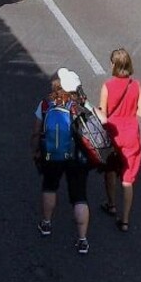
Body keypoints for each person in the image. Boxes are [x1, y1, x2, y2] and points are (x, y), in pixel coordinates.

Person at [35, 68, 92, 254]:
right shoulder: (81, 105)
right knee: (79, 196)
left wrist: (35, 150)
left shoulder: (45, 104)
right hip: (77, 156)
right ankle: (82, 240)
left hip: (52, 154)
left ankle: (46, 224)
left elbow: (37, 131)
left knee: (50, 186)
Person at [98, 48, 141, 232]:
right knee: (127, 181)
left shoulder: (107, 86)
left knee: (110, 171)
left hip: (113, 135)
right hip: (131, 136)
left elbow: (103, 114)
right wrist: (128, 112)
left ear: (113, 64)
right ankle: (125, 221)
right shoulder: (136, 85)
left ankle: (111, 204)